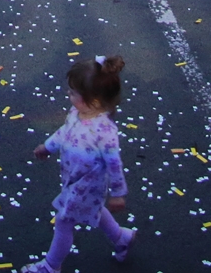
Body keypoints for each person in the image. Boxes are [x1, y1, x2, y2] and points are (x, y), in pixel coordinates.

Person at [22, 54, 134, 273]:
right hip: (72, 178)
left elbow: (114, 165)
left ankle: (51, 266)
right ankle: (122, 237)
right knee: (96, 211)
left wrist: (119, 193)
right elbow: (64, 132)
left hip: (86, 186)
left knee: (63, 223)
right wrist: (48, 147)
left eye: (73, 92)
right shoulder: (76, 114)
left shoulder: (105, 133)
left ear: (93, 100)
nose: (68, 94)